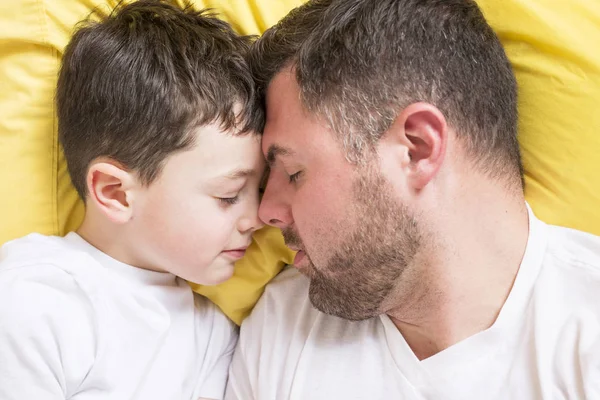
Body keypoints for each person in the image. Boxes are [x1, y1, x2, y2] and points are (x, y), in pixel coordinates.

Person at [226, 0, 600, 398]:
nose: (266, 212)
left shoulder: (585, 331)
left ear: (417, 148)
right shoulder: (282, 329)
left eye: (294, 173)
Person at [0, 1, 264, 399]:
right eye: (229, 196)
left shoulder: (214, 333)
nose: (257, 218)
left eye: (258, 191)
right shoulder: (31, 298)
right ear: (115, 192)